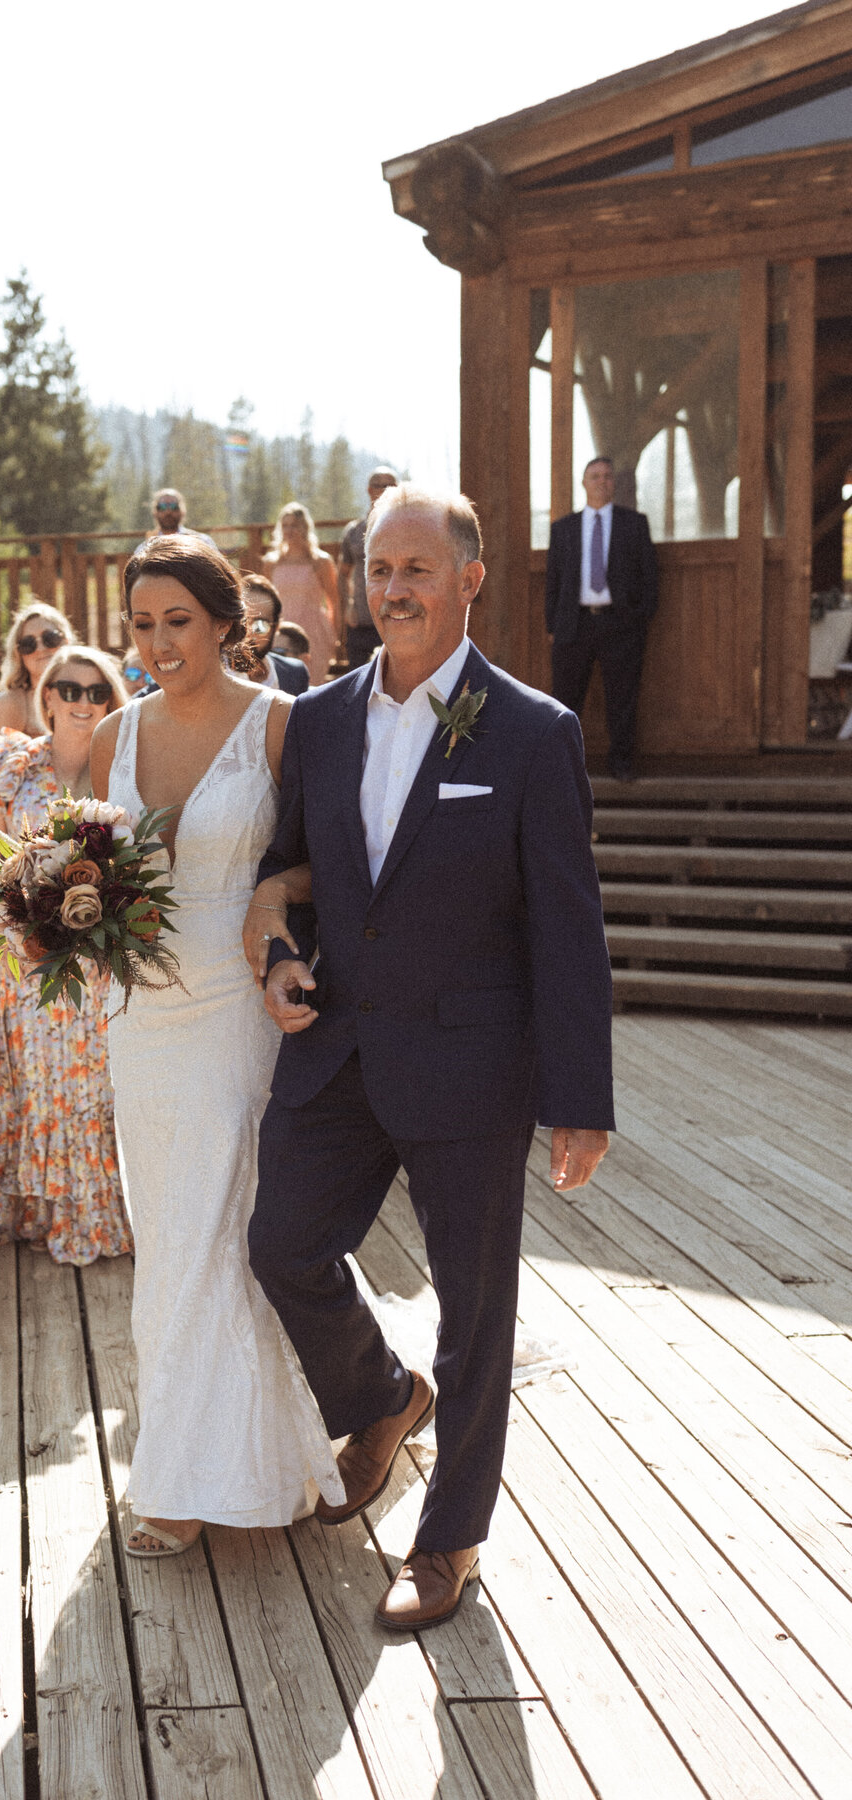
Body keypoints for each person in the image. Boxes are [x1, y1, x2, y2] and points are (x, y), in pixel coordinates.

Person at [246, 484, 614, 1631]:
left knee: (475, 1310)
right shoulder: (318, 721)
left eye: (417, 569)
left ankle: (449, 1537)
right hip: (338, 1052)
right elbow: (294, 872)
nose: (392, 589)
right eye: (379, 570)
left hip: (471, 1064)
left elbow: (568, 923)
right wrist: (279, 963)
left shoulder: (533, 731)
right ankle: (381, 1395)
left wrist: (579, 1097)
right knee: (282, 1243)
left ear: (471, 579)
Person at [91, 534, 342, 1558]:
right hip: (138, 1013)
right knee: (169, 1229)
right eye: (142, 625)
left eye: (177, 622)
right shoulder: (112, 729)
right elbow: (82, 859)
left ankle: (194, 1478)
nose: (157, 643)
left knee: (226, 1222)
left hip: (240, 1002)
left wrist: (276, 895)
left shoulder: (284, 726)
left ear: (228, 623)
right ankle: (209, 1453)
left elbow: (339, 864)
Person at [0, 644, 132, 1262]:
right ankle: (44, 1211)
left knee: (100, 1089)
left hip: (104, 962)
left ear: (112, 699)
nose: (83, 702)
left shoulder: (125, 766)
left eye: (96, 691)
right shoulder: (13, 765)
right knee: (42, 1085)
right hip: (30, 960)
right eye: (70, 689)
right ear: (48, 696)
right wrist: (13, 921)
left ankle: (106, 1213)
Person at [545, 455, 659, 783]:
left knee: (622, 697)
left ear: (614, 484)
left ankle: (621, 764)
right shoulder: (563, 528)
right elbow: (553, 581)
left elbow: (650, 577)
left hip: (620, 624)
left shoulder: (634, 524)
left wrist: (639, 619)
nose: (601, 482)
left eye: (607, 476)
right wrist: (553, 626)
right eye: (594, 476)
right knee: (566, 701)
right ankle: (562, 769)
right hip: (574, 625)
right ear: (583, 483)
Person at [262, 504, 340, 683]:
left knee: (312, 685)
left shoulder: (320, 561)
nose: (290, 530)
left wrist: (334, 636)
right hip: (281, 634)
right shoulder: (271, 562)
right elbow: (265, 602)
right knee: (282, 683)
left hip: (314, 633)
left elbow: (333, 601)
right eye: (285, 525)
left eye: (295, 525)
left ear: (305, 528)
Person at [0, 603, 76, 751]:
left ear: (66, 641)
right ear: (18, 654)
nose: (40, 649)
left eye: (49, 638)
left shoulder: (89, 691)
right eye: (28, 644)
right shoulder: (10, 703)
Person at [339, 466, 399, 669]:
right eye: (378, 485)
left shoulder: (406, 530)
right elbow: (343, 573)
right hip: (361, 618)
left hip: (395, 614)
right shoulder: (354, 531)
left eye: (389, 485)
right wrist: (348, 606)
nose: (383, 490)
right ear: (369, 490)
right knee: (357, 674)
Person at [240, 574, 309, 695]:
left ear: (276, 627)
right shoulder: (211, 674)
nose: (248, 633)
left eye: (260, 625)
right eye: (242, 622)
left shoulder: (294, 674)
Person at [145, 487, 217, 551]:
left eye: (174, 506)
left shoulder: (203, 542)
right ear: (155, 512)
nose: (168, 512)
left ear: (182, 511)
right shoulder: (146, 548)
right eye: (162, 507)